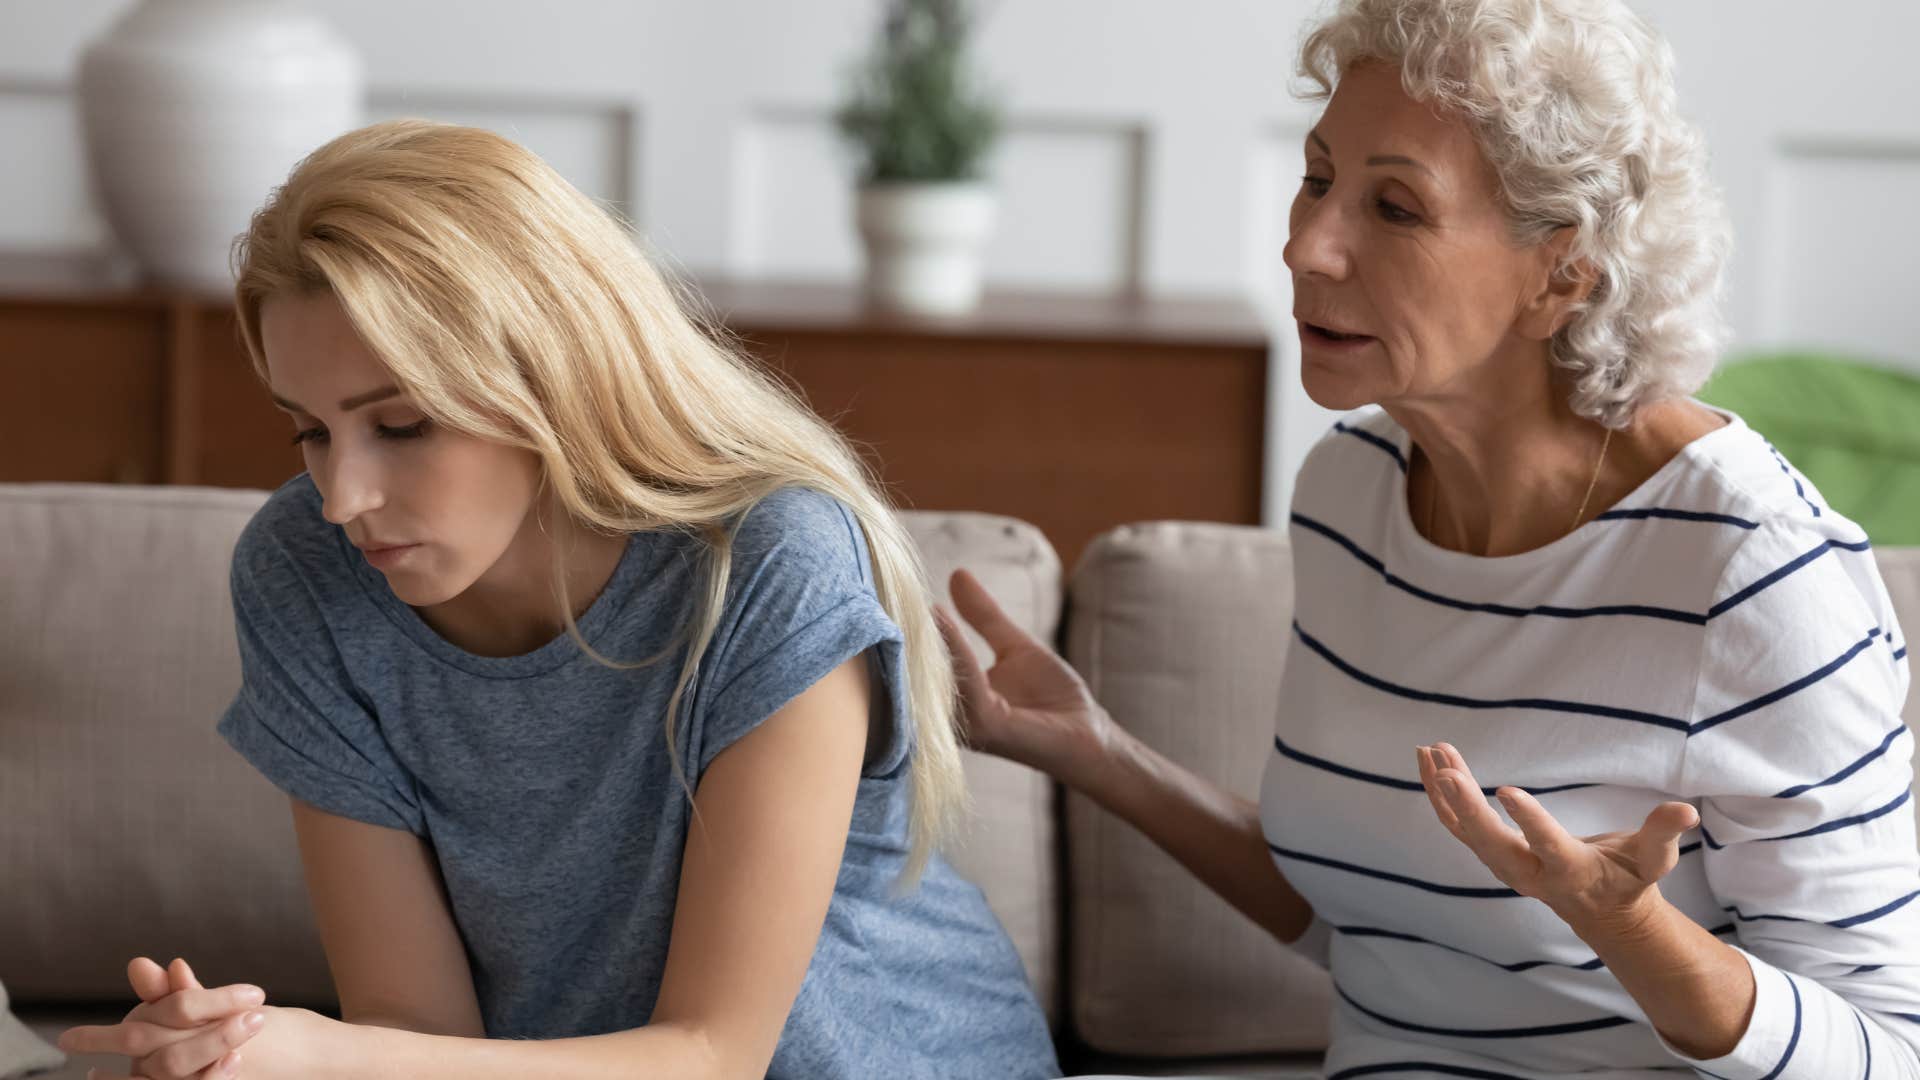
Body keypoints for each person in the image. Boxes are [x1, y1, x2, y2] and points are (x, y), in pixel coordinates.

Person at [940, 0, 1920, 1075]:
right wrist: (1101, 755)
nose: (1304, 244)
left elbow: (1883, 1048)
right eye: (1318, 179)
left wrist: (1627, 928)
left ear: (1563, 274)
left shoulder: (1748, 568)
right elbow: (1381, 926)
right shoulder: (1352, 489)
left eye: (1395, 208)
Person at [58, 119, 1057, 1080]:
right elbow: (414, 1031)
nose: (342, 498)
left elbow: (713, 1057)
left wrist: (321, 1053)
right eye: (309, 431)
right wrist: (235, 1052)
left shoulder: (766, 563)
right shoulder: (305, 575)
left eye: (401, 425)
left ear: (555, 375)